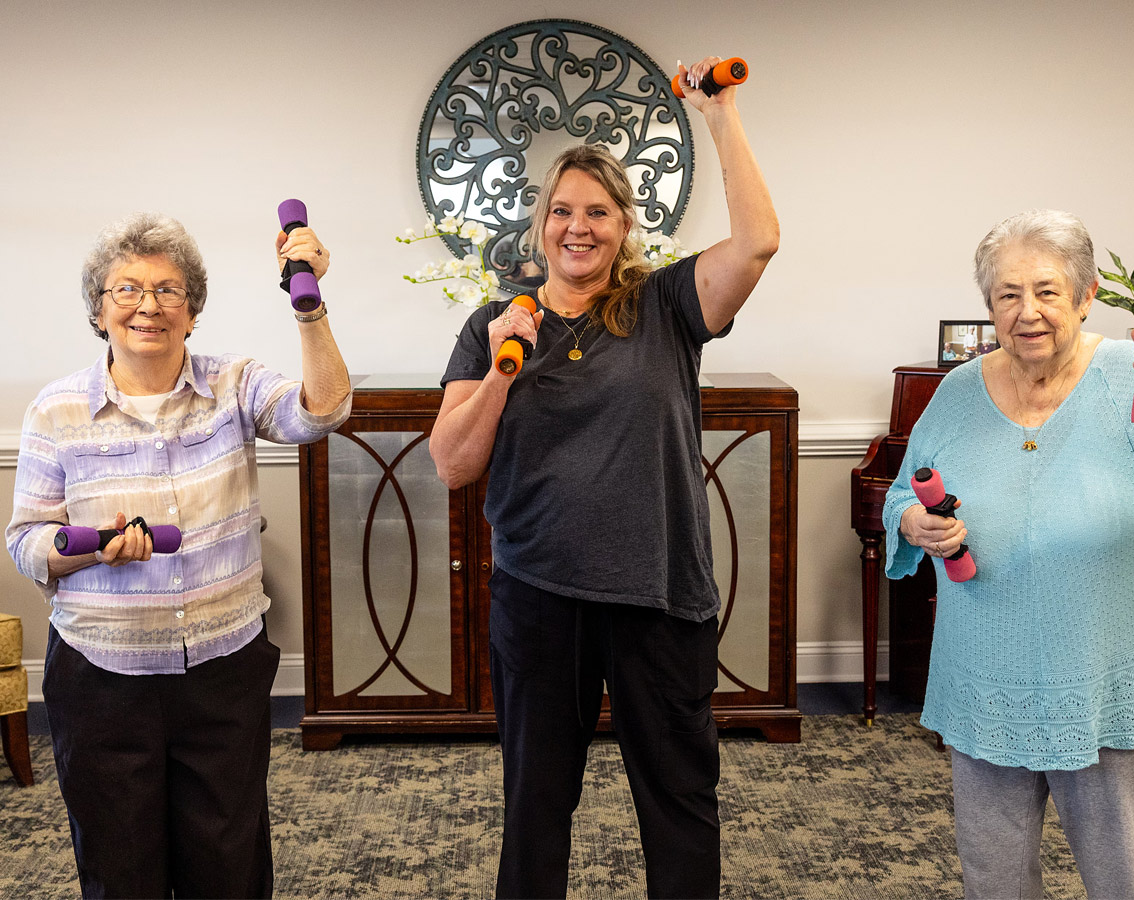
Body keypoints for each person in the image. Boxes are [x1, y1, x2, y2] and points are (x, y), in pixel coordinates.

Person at [429, 56, 777, 899]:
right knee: (537, 803)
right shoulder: (491, 327)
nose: (576, 228)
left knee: (679, 798)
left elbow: (759, 240)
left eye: (596, 212)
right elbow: (452, 463)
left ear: (625, 225)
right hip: (539, 597)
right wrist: (507, 370)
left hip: (656, 595)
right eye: (561, 211)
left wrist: (718, 114)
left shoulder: (665, 306)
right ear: (539, 224)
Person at [6, 212, 351, 898]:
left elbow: (323, 412)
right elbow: (27, 541)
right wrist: (95, 553)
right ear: (99, 312)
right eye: (126, 290)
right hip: (102, 678)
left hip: (221, 670)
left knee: (228, 865)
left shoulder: (235, 383)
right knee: (120, 869)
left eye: (168, 291)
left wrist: (308, 307)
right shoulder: (55, 410)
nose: (148, 306)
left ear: (191, 312)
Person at [884, 209, 1134, 899]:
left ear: (1087, 297)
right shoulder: (959, 391)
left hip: (1105, 675)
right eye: (1007, 295)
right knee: (993, 883)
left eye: (1048, 291)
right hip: (985, 672)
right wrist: (914, 522)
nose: (1027, 312)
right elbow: (904, 490)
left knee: (1129, 883)